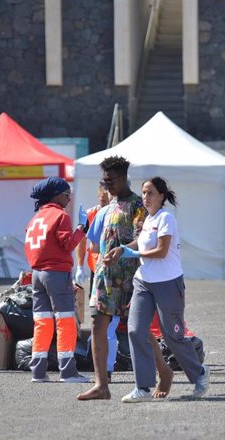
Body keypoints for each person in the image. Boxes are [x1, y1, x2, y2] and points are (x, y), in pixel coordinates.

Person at [107, 177, 210, 402]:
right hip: (143, 281)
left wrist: (133, 254)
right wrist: (122, 249)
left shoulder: (166, 218)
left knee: (172, 336)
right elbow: (140, 244)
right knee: (135, 330)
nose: (145, 197)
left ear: (162, 195)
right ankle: (143, 388)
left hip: (168, 282)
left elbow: (162, 251)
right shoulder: (147, 219)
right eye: (143, 192)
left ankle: (199, 373)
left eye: (150, 192)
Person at [76, 156, 143, 400]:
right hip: (104, 277)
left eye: (111, 181)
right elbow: (94, 245)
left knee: (140, 331)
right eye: (104, 182)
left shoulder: (138, 205)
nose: (107, 186)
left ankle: (164, 373)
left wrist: (122, 249)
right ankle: (101, 384)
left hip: (130, 277)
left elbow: (143, 239)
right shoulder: (106, 209)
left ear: (124, 178)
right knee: (97, 325)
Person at [23, 176, 90, 383]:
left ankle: (38, 372)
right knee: (66, 320)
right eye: (66, 195)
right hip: (57, 273)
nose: (69, 199)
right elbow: (69, 244)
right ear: (56, 195)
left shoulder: (34, 219)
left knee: (42, 322)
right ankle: (68, 372)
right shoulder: (61, 216)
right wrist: (82, 228)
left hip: (36, 275)